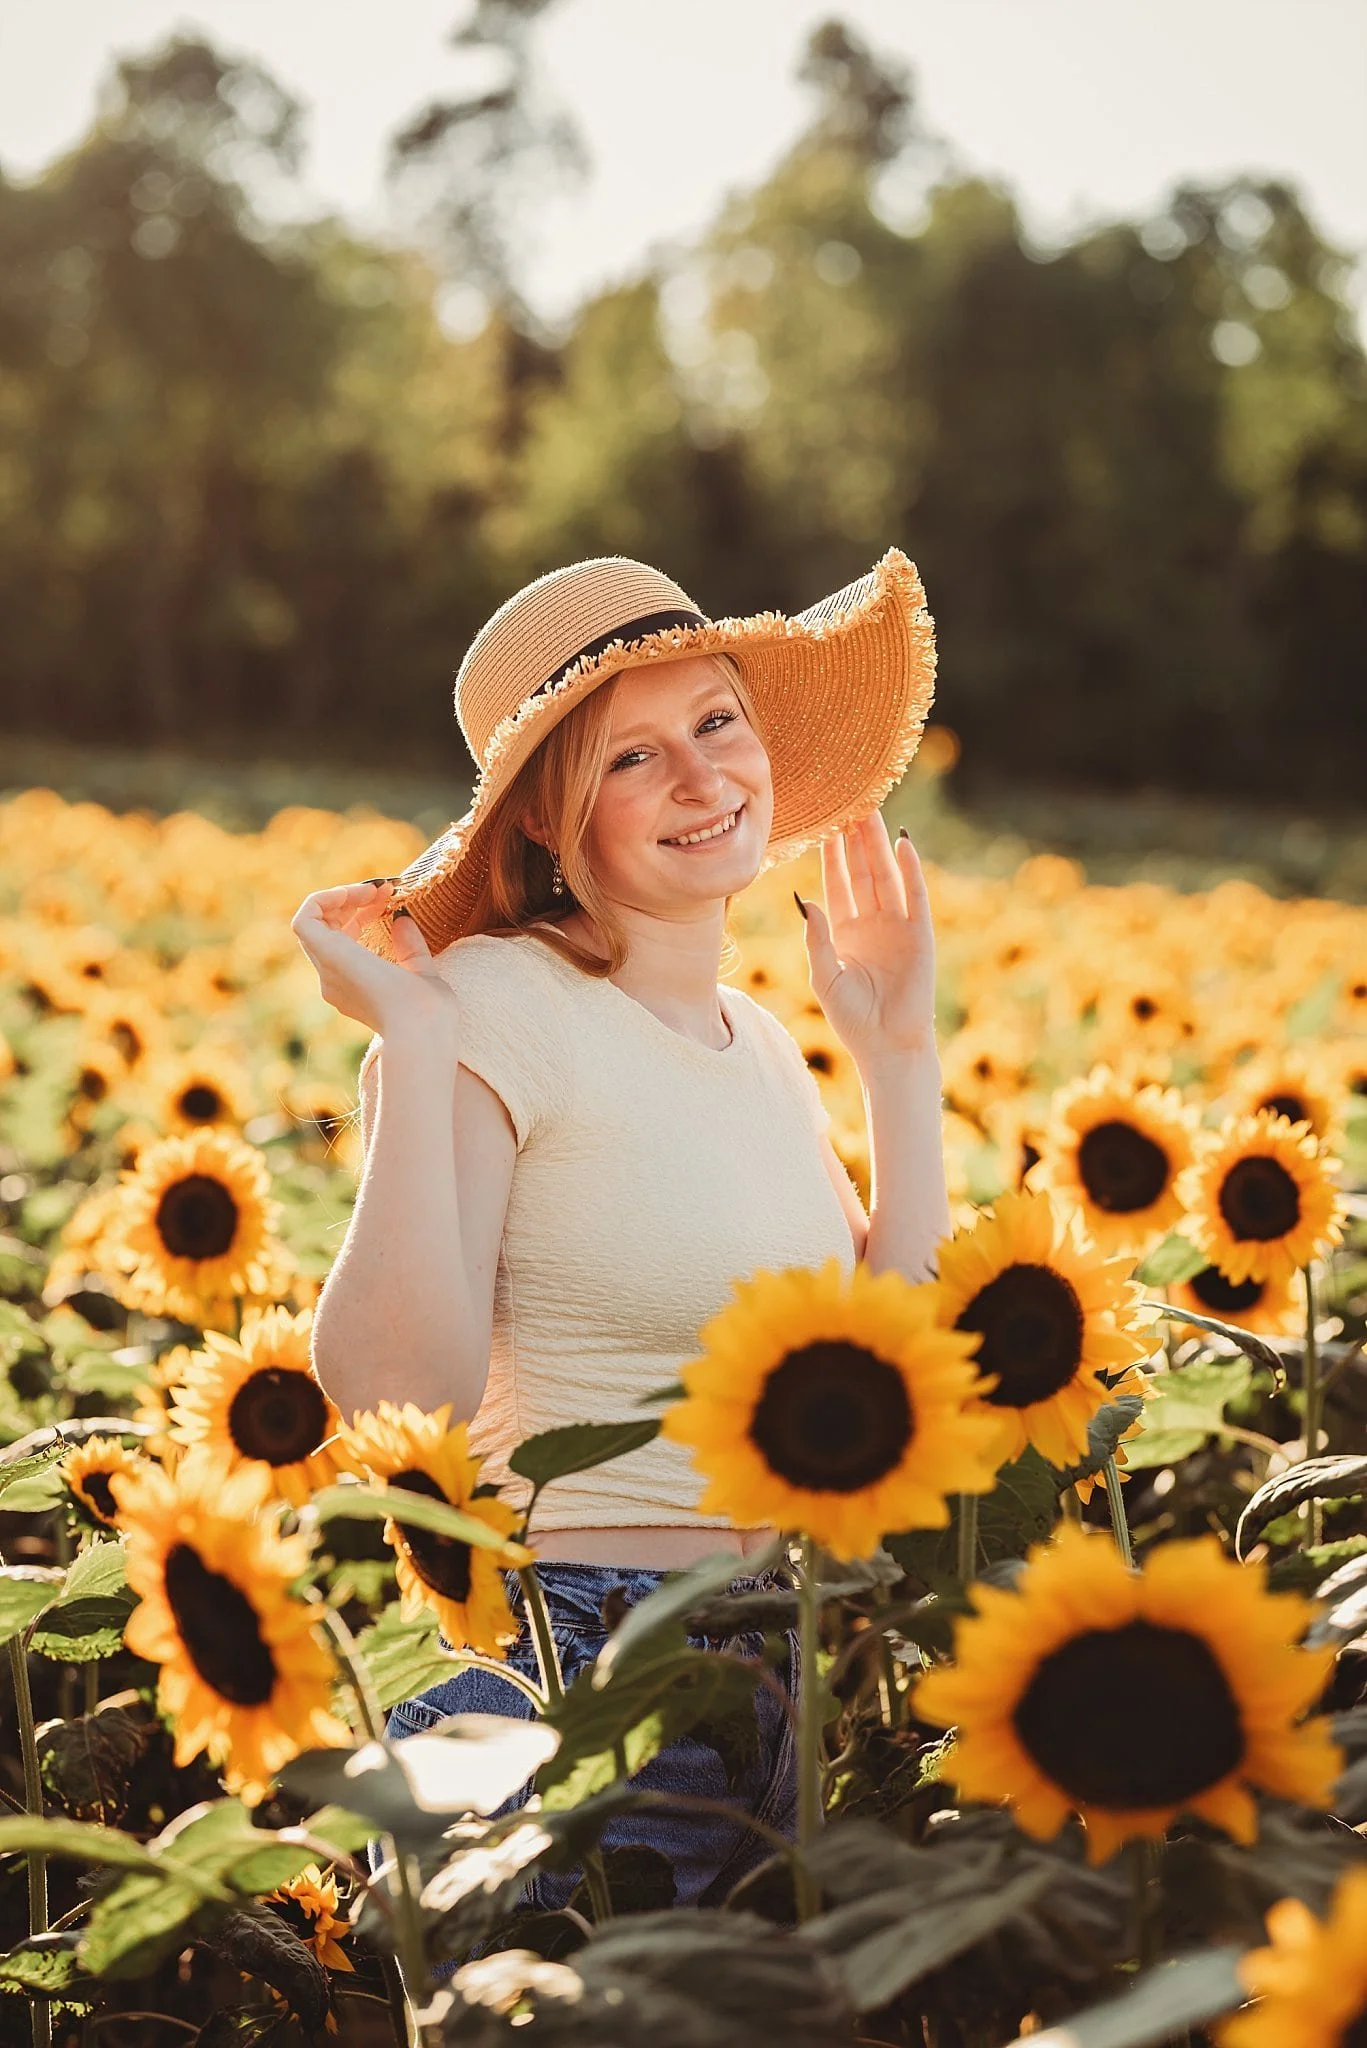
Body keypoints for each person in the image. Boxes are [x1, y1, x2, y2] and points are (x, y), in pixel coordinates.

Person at [290, 548, 950, 1913]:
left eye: (716, 721)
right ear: (545, 822)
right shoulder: (489, 1006)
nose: (705, 779)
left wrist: (896, 1056)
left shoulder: (757, 1039)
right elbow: (393, 1395)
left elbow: (889, 1356)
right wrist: (410, 1043)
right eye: (630, 758)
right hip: (563, 1686)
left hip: (769, 1671)